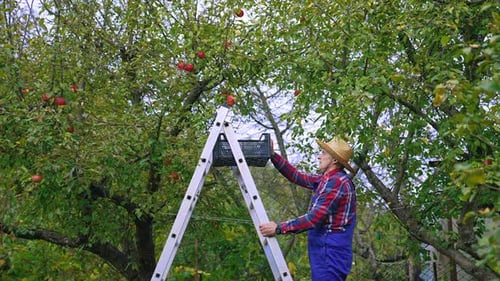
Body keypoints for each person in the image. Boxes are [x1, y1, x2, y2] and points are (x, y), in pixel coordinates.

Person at [259, 137, 357, 281]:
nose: (319, 156)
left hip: (330, 253)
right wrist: (273, 155)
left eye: (323, 153)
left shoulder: (336, 182)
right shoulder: (327, 180)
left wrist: (279, 228)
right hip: (325, 251)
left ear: (334, 160)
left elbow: (314, 218)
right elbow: (298, 177)